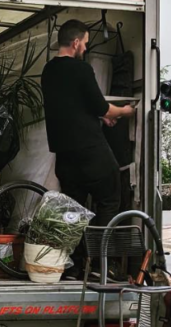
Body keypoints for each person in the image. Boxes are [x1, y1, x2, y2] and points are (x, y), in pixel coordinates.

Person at [41, 18, 135, 231]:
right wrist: (125, 111)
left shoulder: (48, 71)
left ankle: (75, 252)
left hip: (65, 157)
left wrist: (100, 117)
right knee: (110, 199)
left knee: (73, 211)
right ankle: (101, 251)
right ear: (75, 43)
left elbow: (70, 106)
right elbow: (103, 107)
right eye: (84, 43)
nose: (85, 48)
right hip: (90, 153)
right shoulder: (81, 69)